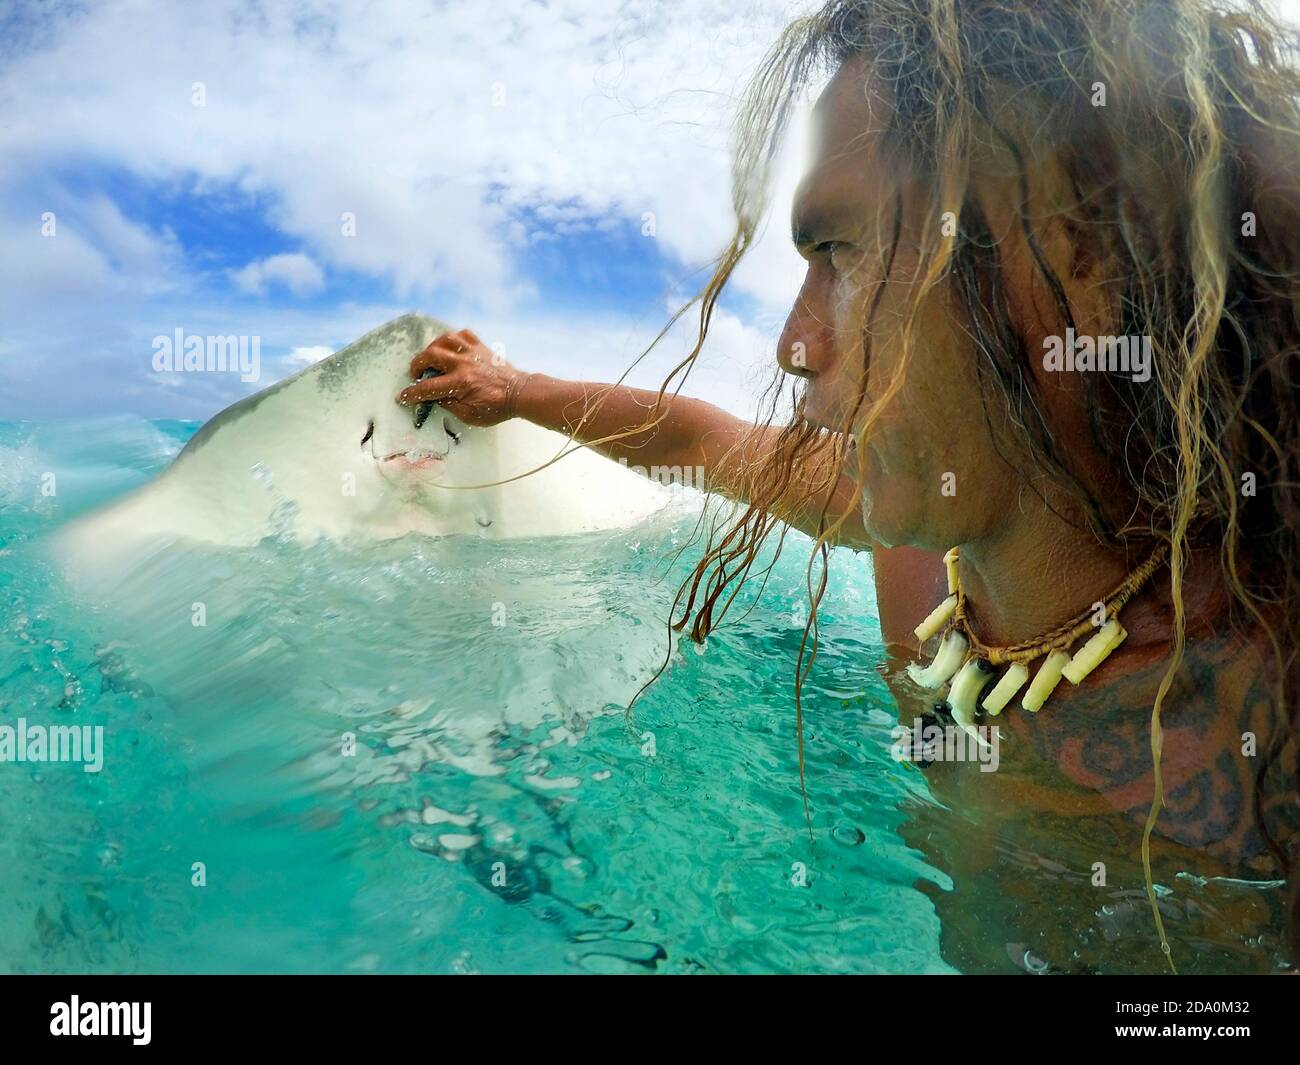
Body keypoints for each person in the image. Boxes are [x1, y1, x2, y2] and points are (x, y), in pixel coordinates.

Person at [398, 0, 1299, 974]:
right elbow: (704, 440)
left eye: (840, 251)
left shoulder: (1263, 709)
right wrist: (513, 391)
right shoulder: (921, 544)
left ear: (1084, 244)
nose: (793, 345)